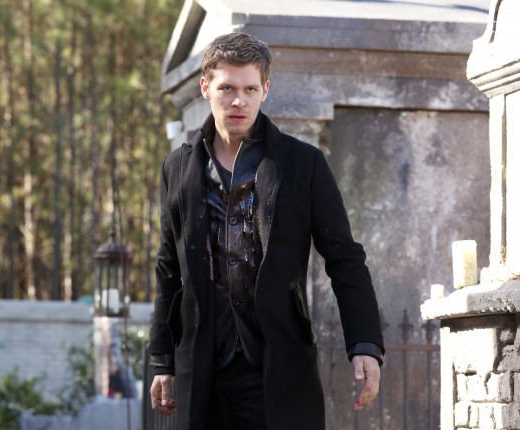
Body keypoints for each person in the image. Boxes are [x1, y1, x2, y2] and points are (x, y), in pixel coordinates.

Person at [148, 32, 384, 430]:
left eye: (249, 89)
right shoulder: (178, 168)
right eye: (227, 88)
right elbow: (168, 269)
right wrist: (161, 359)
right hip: (202, 372)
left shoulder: (303, 163)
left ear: (265, 91)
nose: (238, 101)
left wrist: (364, 344)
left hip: (278, 368)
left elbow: (345, 259)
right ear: (206, 88)